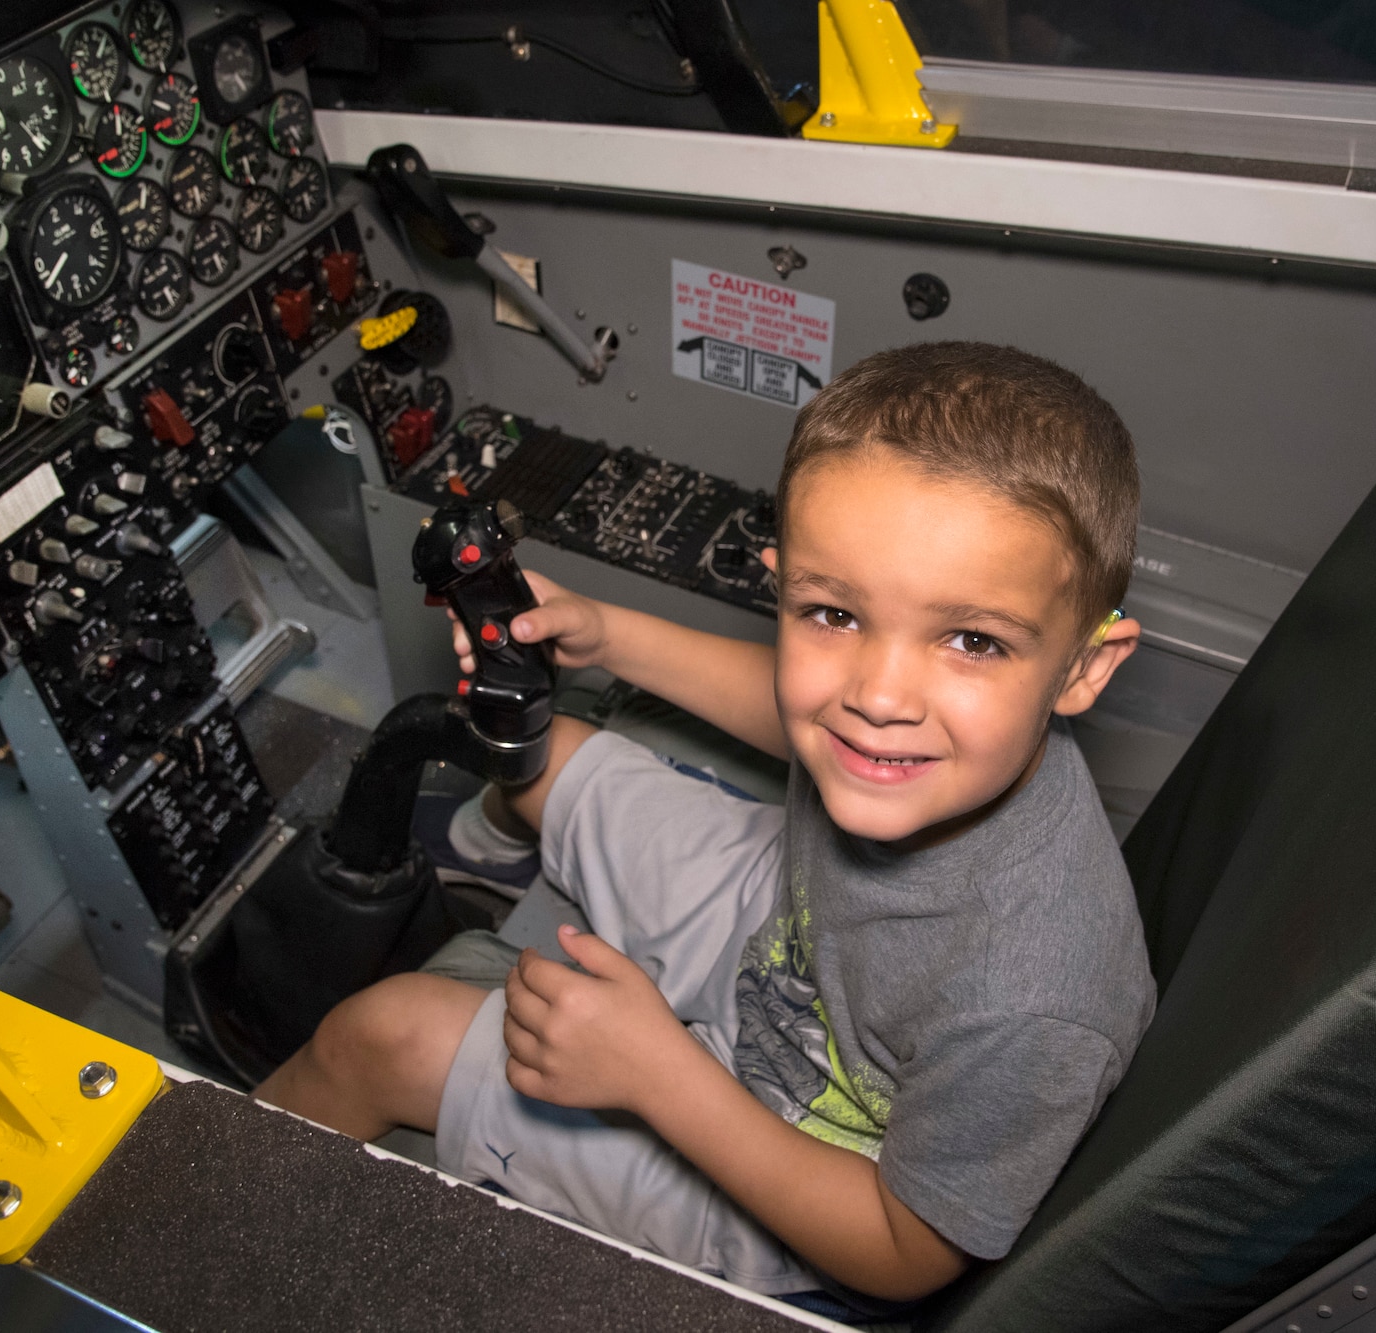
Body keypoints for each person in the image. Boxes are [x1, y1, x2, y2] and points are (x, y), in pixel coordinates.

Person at [256, 342, 1158, 1306]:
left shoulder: (1037, 996)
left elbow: (904, 1253)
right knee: (544, 750)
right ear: (783, 582)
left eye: (972, 640)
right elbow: (799, 714)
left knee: (381, 1037)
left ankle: (191, 1224)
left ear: (1085, 669)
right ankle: (481, 863)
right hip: (794, 925)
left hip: (800, 1153)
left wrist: (658, 1074)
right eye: (834, 614)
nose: (878, 695)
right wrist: (608, 634)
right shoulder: (909, 746)